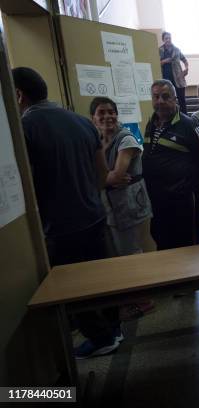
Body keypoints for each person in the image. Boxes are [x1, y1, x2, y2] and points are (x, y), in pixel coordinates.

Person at [13, 67, 121, 359]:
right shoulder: (81, 122)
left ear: (19, 95)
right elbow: (102, 175)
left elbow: (26, 184)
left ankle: (100, 338)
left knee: (71, 287)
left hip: (60, 225)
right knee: (102, 277)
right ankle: (115, 328)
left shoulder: (24, 127)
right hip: (94, 215)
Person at [90, 97, 155, 321]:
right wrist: (105, 179)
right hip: (109, 206)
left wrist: (100, 179)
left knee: (131, 253)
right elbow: (107, 177)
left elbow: (117, 175)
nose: (107, 116)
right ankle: (128, 298)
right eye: (101, 112)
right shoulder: (97, 140)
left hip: (128, 205)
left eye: (111, 112)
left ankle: (144, 301)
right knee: (118, 254)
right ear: (93, 118)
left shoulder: (126, 139)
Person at [142, 79, 199, 250]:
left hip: (181, 199)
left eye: (165, 96)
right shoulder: (151, 123)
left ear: (175, 99)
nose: (160, 101)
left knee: (184, 245)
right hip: (156, 198)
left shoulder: (188, 124)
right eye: (155, 97)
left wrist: (187, 184)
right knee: (161, 241)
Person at [159, 31, 189, 114]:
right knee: (169, 100)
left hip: (178, 79)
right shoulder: (160, 50)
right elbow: (156, 63)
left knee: (182, 100)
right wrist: (164, 61)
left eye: (169, 38)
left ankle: (185, 119)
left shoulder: (177, 50)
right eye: (166, 38)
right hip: (166, 80)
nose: (168, 40)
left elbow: (185, 60)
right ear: (163, 39)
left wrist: (186, 69)